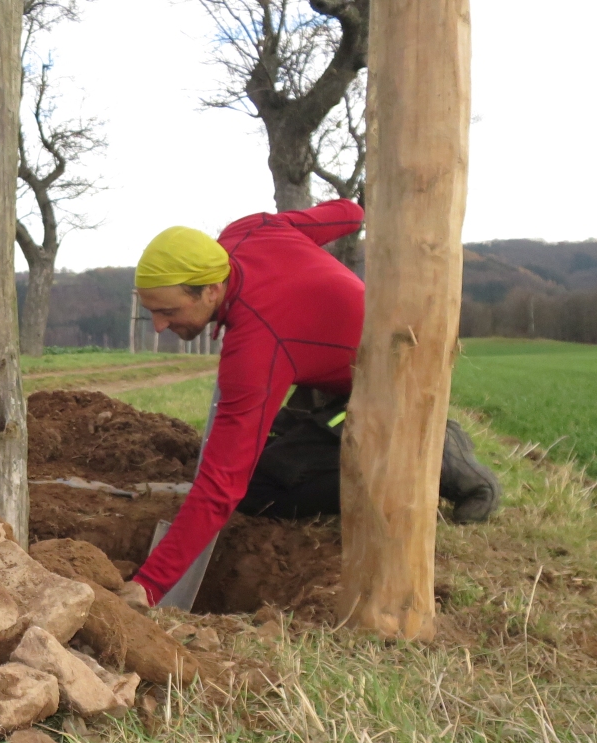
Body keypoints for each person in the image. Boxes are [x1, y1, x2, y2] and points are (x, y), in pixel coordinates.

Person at [131, 199, 500, 607]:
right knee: (270, 462)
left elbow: (221, 484)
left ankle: (430, 462)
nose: (160, 326)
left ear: (212, 290)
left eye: (167, 312)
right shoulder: (249, 232)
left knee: (256, 490)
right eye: (152, 313)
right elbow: (351, 213)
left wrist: (149, 585)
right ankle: (368, 443)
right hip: (329, 379)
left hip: (392, 383)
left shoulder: (257, 347)